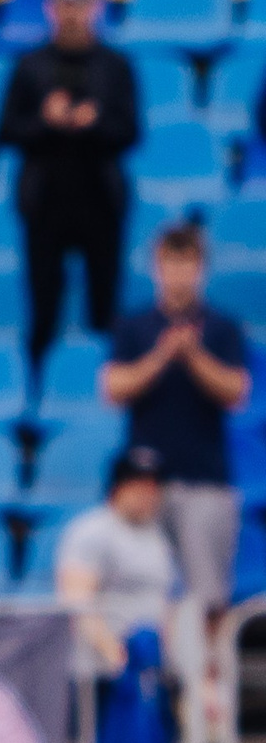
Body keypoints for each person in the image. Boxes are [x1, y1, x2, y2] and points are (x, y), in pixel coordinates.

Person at [53, 447, 180, 743]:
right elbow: (77, 599)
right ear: (117, 486)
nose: (149, 493)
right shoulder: (92, 533)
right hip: (109, 677)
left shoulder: (156, 538)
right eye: (139, 483)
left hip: (146, 675)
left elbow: (162, 607)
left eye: (154, 484)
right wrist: (116, 655)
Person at [101, 222, 250, 627]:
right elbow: (113, 387)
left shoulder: (222, 327)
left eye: (188, 264)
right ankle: (158, 679)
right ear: (156, 266)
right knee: (143, 592)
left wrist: (194, 355)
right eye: (171, 263)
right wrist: (163, 355)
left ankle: (211, 680)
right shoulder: (134, 327)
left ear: (201, 268)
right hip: (146, 484)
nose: (179, 274)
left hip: (205, 479)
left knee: (208, 594)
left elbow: (236, 391)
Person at [0, 0, 141, 363]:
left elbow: (131, 132)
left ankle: (104, 401)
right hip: (45, 205)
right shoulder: (30, 66)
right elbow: (6, 131)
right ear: (49, 7)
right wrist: (46, 120)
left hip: (102, 203)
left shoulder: (116, 66)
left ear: (95, 6)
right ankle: (38, 401)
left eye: (79, 0)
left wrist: (95, 123)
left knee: (104, 312)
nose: (71, 10)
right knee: (42, 314)